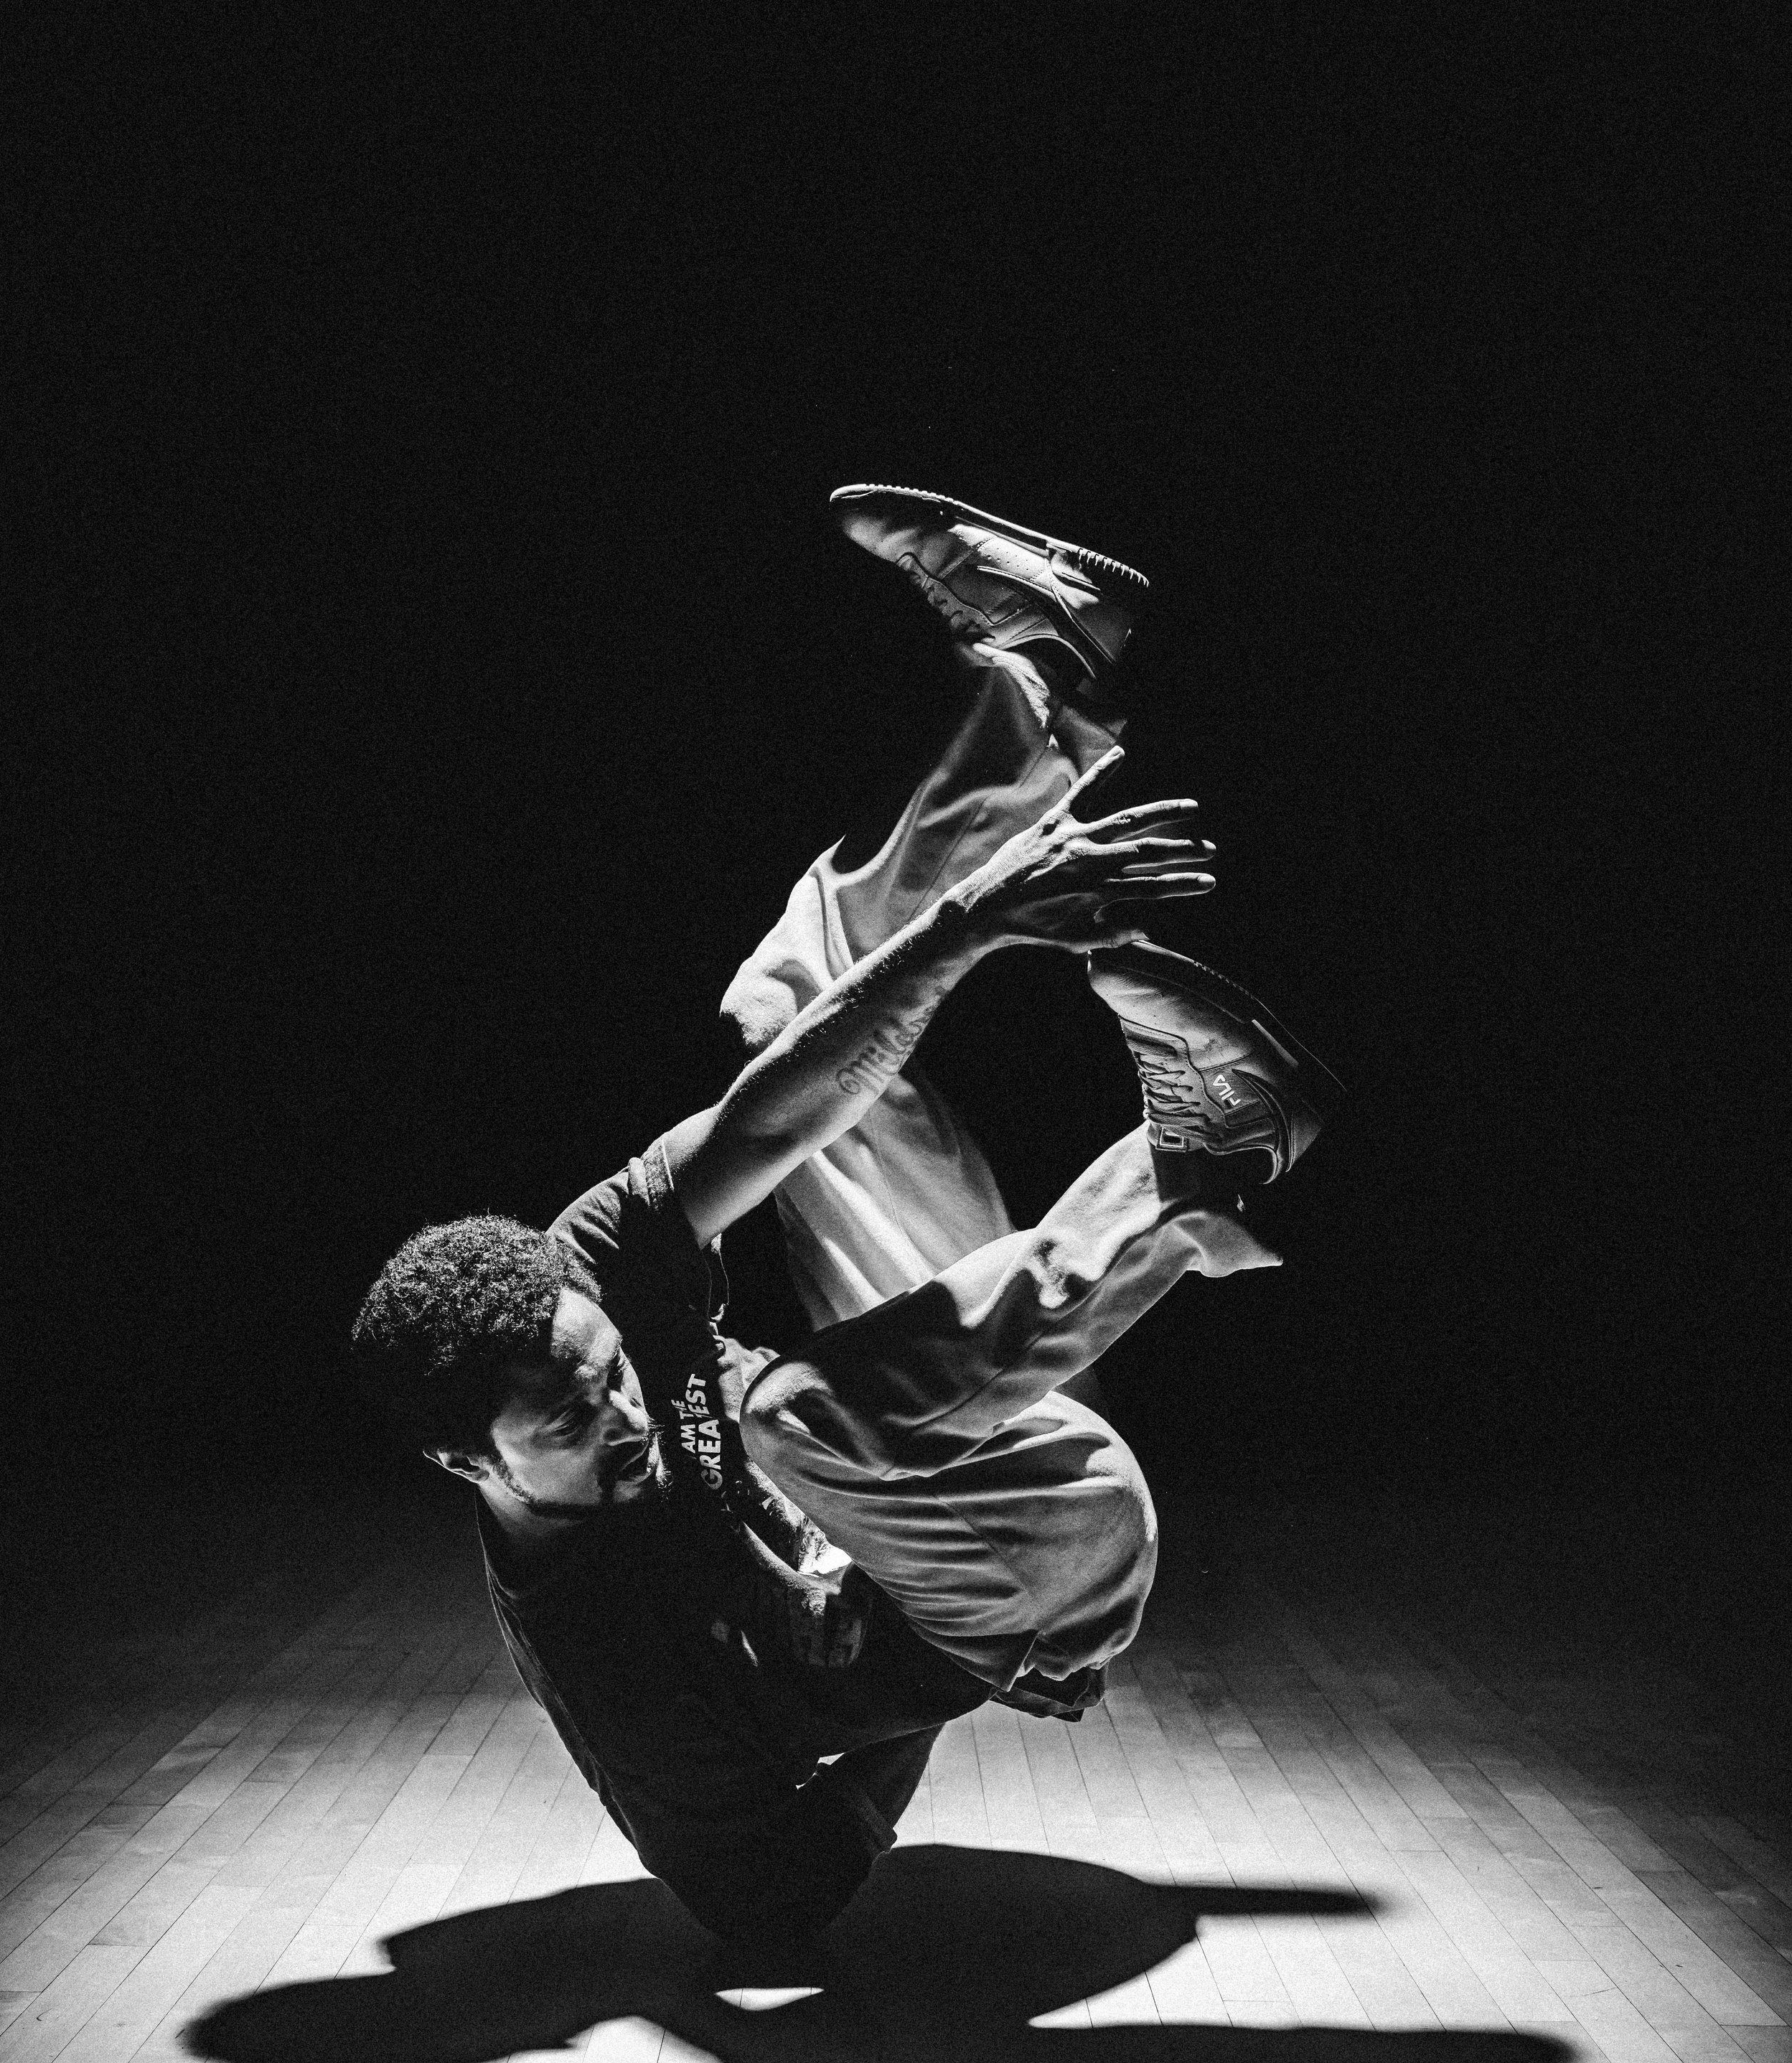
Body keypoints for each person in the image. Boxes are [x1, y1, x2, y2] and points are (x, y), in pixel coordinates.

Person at [351, 486, 1341, 1957]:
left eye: (605, 1364)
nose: (623, 1401)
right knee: (791, 1417)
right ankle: (1196, 1169)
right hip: (1022, 1573)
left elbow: (769, 1120)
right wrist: (952, 1669)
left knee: (779, 1019)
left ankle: (1040, 673)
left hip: (917, 1431)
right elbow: (771, 1900)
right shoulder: (609, 1664)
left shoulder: (585, 1274)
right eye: (570, 1415)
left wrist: (973, 925)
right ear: (465, 1464)